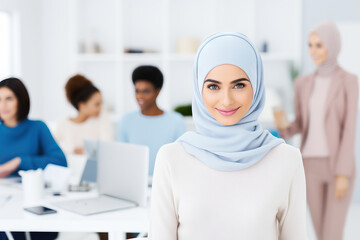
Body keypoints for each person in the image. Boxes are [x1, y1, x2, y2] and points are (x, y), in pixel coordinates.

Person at [149, 32, 307, 240]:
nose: (226, 100)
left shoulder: (287, 159)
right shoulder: (171, 158)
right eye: (213, 86)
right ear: (199, 88)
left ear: (257, 86)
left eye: (239, 85)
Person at [274, 22, 358, 240]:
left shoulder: (349, 81)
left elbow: (349, 129)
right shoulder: (302, 83)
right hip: (309, 165)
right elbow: (301, 123)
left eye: (319, 45)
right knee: (321, 234)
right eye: (310, 45)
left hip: (337, 165)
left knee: (332, 234)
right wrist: (284, 126)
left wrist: (343, 173)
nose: (313, 51)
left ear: (332, 45)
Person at [0, 77, 66, 240]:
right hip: (5, 204)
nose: (3, 105)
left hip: (35, 202)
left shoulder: (38, 128)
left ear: (21, 100)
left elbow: (61, 162)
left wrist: (19, 162)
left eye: (9, 99)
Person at [116, 65, 186, 177]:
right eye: (137, 91)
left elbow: (180, 159)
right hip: (133, 181)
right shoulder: (126, 121)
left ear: (157, 92)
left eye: (146, 91)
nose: (140, 96)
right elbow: (121, 159)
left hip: (166, 182)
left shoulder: (176, 121)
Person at [56, 74, 113, 155]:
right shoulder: (63, 124)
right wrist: (73, 151)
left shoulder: (102, 118)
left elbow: (107, 148)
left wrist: (82, 151)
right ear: (82, 105)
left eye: (101, 103)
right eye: (97, 104)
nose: (101, 108)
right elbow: (52, 151)